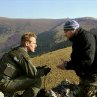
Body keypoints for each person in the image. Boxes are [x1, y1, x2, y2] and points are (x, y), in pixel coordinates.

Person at [0, 32, 51, 97]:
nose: (36, 45)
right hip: (4, 84)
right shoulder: (22, 55)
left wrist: (37, 69)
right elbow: (33, 74)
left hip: (3, 81)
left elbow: (25, 70)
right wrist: (43, 71)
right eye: (34, 43)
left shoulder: (16, 51)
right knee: (37, 80)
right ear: (27, 43)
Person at [57, 19, 97, 97]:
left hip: (91, 75)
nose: (65, 34)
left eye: (66, 31)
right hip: (86, 74)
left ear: (73, 29)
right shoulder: (79, 38)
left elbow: (87, 61)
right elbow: (80, 57)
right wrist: (67, 63)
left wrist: (67, 66)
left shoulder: (85, 38)